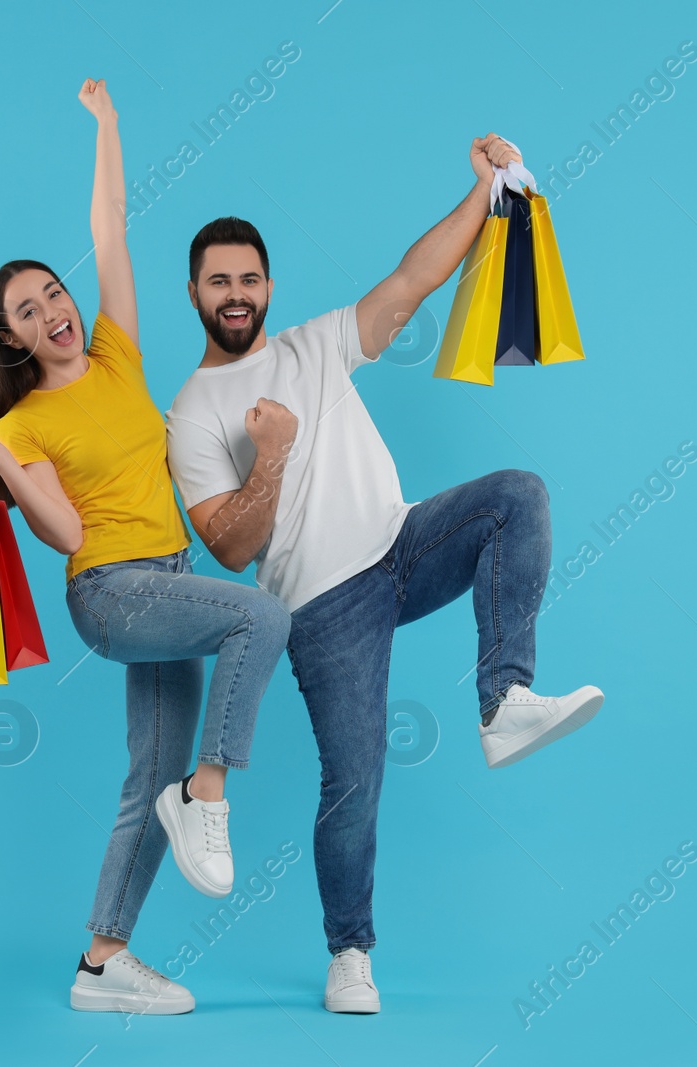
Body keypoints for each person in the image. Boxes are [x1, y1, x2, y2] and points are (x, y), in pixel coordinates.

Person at [164, 133, 604, 1014]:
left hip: (403, 542)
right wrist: (273, 457)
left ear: (269, 287)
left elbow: (413, 281)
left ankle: (505, 703)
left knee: (518, 495)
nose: (237, 294)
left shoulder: (313, 345)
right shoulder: (191, 410)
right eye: (219, 281)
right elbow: (228, 549)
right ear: (195, 293)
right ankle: (350, 953)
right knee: (356, 781)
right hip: (325, 606)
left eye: (249, 278)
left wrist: (482, 191)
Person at [0, 79, 291, 1017]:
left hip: (171, 581)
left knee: (148, 775)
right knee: (262, 613)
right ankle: (208, 794)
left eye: (52, 292)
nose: (54, 309)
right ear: (8, 337)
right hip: (110, 592)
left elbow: (111, 233)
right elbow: (60, 532)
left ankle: (102, 962)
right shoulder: (21, 422)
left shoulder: (114, 353)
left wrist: (107, 128)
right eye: (29, 309)